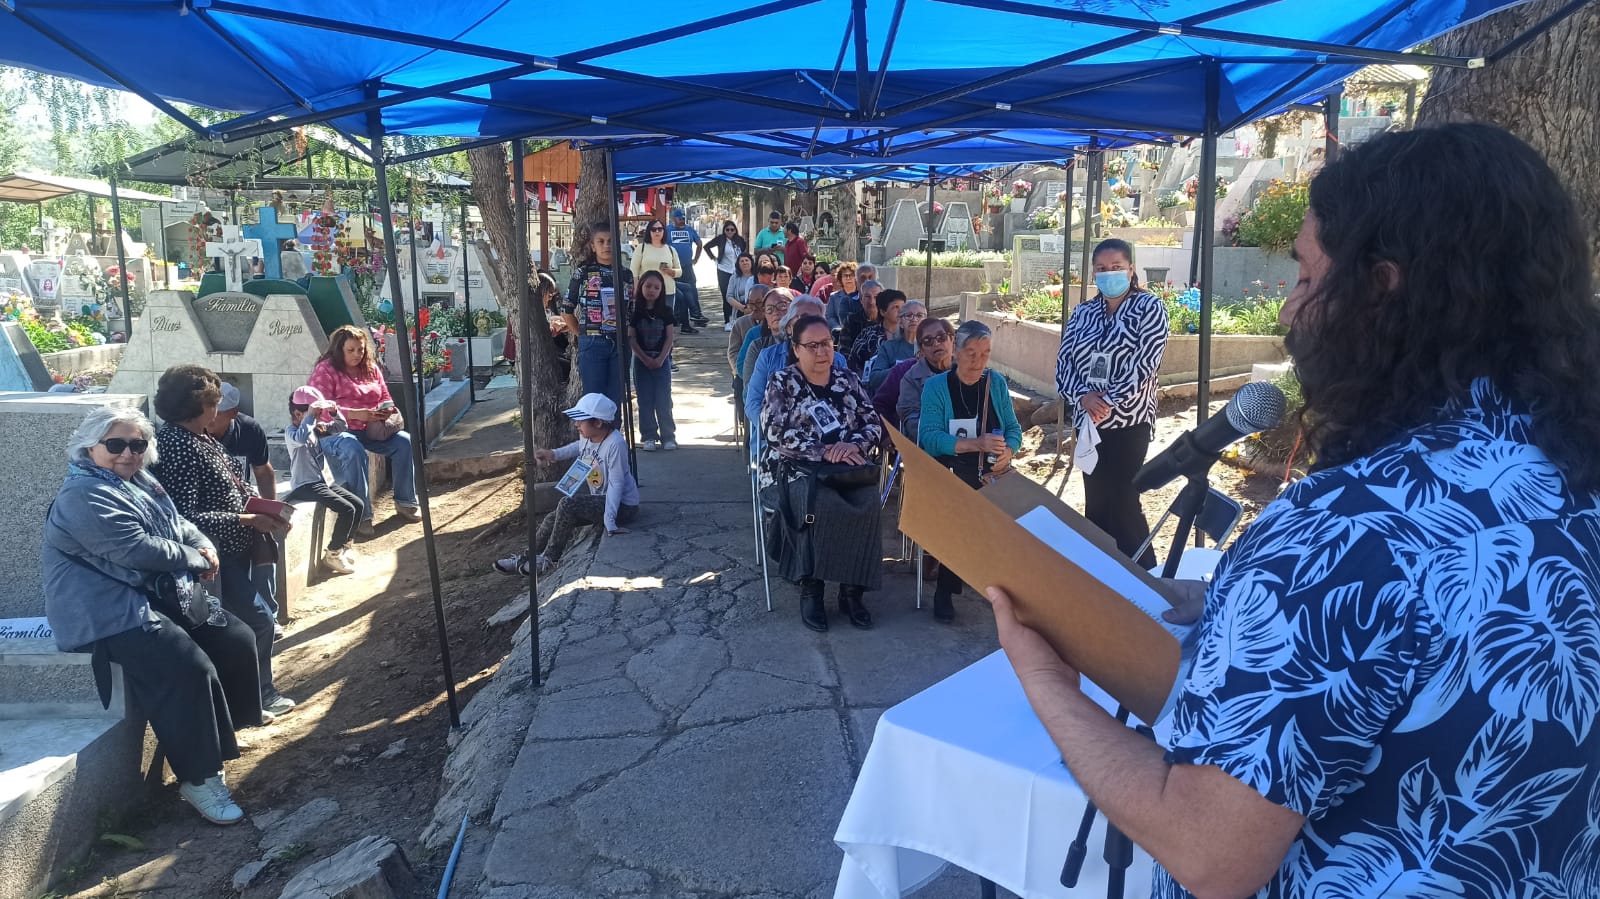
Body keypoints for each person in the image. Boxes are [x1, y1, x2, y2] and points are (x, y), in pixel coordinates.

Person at [993, 122, 1600, 898]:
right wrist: (1213, 601)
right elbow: (1430, 642)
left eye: (1307, 278)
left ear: (1380, 290)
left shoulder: (1346, 529)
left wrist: (1044, 676)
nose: (1287, 312)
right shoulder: (1569, 472)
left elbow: (1205, 847)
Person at [43, 405, 261, 825]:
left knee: (235, 639)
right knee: (188, 668)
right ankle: (199, 777)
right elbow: (135, 549)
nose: (127, 453)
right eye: (115, 444)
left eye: (137, 444)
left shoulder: (140, 481)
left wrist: (203, 543)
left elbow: (178, 522)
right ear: (90, 448)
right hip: (103, 607)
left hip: (152, 591)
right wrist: (195, 558)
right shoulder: (83, 494)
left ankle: (218, 737)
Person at [151, 365, 296, 718]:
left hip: (231, 549)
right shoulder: (177, 446)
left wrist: (264, 510)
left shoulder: (199, 437)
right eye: (214, 403)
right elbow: (184, 517)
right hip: (210, 558)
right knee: (258, 622)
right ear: (200, 406)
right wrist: (247, 518)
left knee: (249, 625)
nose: (218, 411)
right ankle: (256, 697)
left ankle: (247, 699)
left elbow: (231, 486)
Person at [760, 314, 884, 631]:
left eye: (827, 343)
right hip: (796, 467)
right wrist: (823, 450)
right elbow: (774, 432)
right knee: (824, 505)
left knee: (868, 502)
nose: (821, 352)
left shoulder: (848, 380)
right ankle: (811, 588)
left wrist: (851, 447)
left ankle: (852, 590)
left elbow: (872, 423)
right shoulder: (782, 383)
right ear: (796, 348)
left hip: (846, 467)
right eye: (812, 345)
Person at [1055, 237, 1167, 570]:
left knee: (1123, 499)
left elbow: (1146, 364)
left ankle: (1145, 574)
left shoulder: (1149, 308)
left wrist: (1108, 402)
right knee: (1097, 500)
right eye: (1101, 269)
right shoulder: (1084, 312)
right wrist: (1083, 398)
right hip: (1088, 421)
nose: (1109, 274)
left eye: (1116, 267)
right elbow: (1065, 364)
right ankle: (1102, 573)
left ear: (1131, 269)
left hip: (1128, 422)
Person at [918, 320, 1021, 622]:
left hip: (991, 469)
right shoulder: (936, 388)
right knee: (962, 509)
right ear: (956, 352)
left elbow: (1014, 428)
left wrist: (1009, 452)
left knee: (1021, 511)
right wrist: (975, 443)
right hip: (949, 467)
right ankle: (946, 590)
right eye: (971, 353)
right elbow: (930, 438)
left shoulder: (996, 383)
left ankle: (1007, 587)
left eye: (985, 354)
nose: (978, 361)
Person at [495, 393, 639, 576]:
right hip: (602, 501)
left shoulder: (615, 444)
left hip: (623, 506)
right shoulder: (588, 437)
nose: (576, 424)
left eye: (581, 420)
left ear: (598, 423)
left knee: (567, 504)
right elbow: (576, 448)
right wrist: (552, 454)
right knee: (551, 519)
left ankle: (549, 557)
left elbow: (617, 483)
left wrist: (610, 521)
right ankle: (525, 559)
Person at [307, 325, 423, 532]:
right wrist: (354, 413)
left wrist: (385, 410)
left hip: (372, 429)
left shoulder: (370, 367)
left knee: (405, 442)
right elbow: (318, 408)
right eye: (351, 350)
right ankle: (362, 516)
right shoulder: (325, 370)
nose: (357, 355)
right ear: (339, 349)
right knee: (354, 450)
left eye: (360, 349)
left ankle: (405, 502)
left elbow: (385, 395)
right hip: (336, 432)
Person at [282, 386, 365, 576]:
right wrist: (311, 415)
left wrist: (334, 411)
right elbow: (301, 438)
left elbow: (340, 427)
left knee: (357, 504)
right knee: (347, 509)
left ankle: (344, 546)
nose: (319, 417)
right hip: (306, 485)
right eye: (314, 413)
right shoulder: (292, 433)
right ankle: (333, 553)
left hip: (323, 480)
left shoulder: (314, 428)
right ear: (297, 413)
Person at [745, 295, 847, 423]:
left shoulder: (837, 360)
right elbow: (753, 403)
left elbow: (847, 405)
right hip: (779, 435)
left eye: (816, 319)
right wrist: (773, 429)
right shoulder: (768, 357)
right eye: (803, 318)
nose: (810, 325)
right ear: (789, 326)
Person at [563, 222, 633, 407]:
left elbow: (632, 310)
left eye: (611, 241)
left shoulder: (626, 275)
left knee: (616, 400)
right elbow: (567, 310)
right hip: (593, 344)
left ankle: (614, 435)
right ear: (593, 246)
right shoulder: (583, 273)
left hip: (620, 343)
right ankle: (592, 436)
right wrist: (581, 334)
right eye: (601, 241)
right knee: (593, 400)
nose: (606, 246)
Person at [630, 270, 678, 451]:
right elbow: (632, 339)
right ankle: (648, 435)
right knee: (645, 399)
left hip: (662, 360)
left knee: (663, 399)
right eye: (648, 286)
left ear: (661, 290)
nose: (651, 290)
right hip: (641, 361)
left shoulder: (666, 311)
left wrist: (660, 359)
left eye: (656, 287)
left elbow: (669, 338)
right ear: (640, 286)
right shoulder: (635, 311)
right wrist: (644, 358)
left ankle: (668, 436)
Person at [208, 382, 274, 499]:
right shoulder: (192, 430)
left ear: (233, 413)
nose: (210, 417)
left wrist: (271, 508)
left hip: (239, 497)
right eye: (207, 410)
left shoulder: (250, 429)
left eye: (218, 413)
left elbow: (262, 471)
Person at [631, 220, 689, 334]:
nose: (657, 232)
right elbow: (634, 270)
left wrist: (671, 271)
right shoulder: (642, 248)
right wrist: (636, 288)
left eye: (660, 229)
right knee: (644, 322)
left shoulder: (671, 250)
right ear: (649, 231)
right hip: (646, 292)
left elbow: (680, 271)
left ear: (664, 231)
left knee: (666, 323)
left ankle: (667, 348)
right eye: (653, 229)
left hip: (667, 291)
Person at [668, 207, 708, 329]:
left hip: (687, 266)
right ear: (674, 219)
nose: (682, 220)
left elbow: (700, 243)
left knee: (691, 289)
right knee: (678, 293)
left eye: (683, 218)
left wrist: (696, 258)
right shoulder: (667, 230)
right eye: (680, 218)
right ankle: (678, 317)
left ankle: (696, 314)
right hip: (673, 267)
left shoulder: (690, 229)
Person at [707, 223, 748, 324]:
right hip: (723, 270)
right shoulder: (720, 239)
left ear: (735, 230)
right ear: (724, 230)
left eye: (732, 230)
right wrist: (714, 258)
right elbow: (706, 247)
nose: (730, 232)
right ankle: (727, 321)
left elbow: (743, 251)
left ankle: (736, 319)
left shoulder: (739, 240)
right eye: (727, 230)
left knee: (737, 295)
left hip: (736, 271)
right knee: (726, 295)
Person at [838, 279, 883, 361]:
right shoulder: (852, 320)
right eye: (867, 297)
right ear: (861, 300)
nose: (872, 302)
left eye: (876, 297)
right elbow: (844, 351)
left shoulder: (888, 321)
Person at [823, 262, 860, 330]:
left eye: (851, 275)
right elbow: (830, 317)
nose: (848, 278)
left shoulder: (863, 296)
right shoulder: (834, 297)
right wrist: (838, 329)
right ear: (840, 279)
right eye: (845, 276)